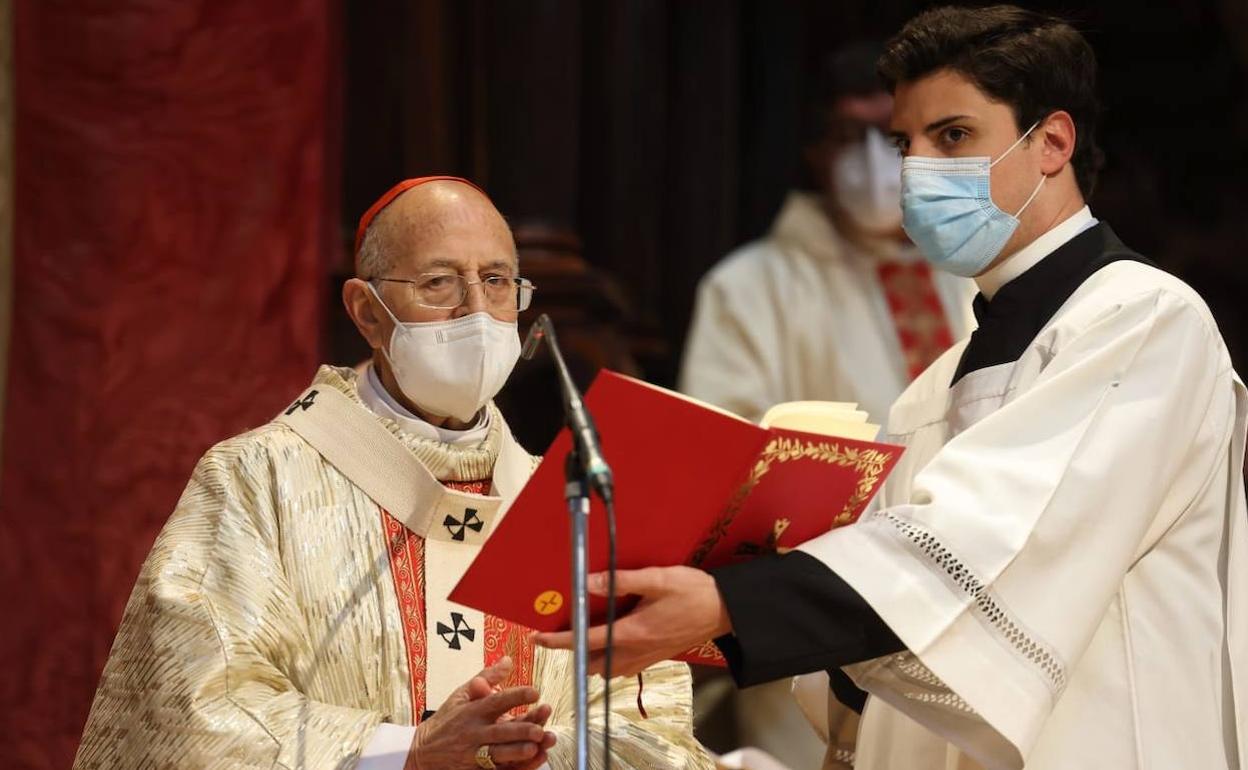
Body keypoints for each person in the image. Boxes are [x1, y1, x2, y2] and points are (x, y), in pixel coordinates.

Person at [538, 7, 1248, 770]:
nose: (915, 172)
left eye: (953, 137)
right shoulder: (932, 391)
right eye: (903, 144)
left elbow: (984, 545)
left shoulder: (1140, 318)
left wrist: (726, 607)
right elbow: (895, 624)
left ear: (1052, 142)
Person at [74, 177, 715, 770]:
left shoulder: (565, 500)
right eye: (440, 282)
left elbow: (647, 719)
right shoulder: (257, 479)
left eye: (497, 281)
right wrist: (408, 751)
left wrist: (539, 751)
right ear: (367, 312)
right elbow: (192, 712)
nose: (477, 311)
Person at [679, 41, 975, 424]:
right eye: (849, 136)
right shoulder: (747, 288)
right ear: (816, 153)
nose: (873, 161)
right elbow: (720, 441)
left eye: (892, 137)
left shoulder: (973, 267)